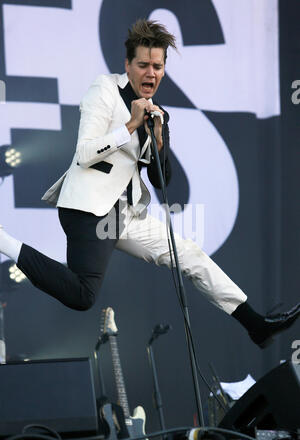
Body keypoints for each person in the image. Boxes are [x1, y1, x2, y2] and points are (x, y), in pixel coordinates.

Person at [0, 19, 299, 349]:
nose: (150, 73)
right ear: (128, 65)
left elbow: (161, 181)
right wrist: (130, 124)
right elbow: (85, 152)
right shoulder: (105, 90)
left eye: (157, 66)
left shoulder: (158, 116)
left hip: (122, 215)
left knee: (188, 254)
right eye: (143, 65)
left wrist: (157, 139)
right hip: (88, 207)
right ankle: (4, 241)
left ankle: (254, 323)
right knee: (83, 295)